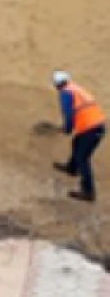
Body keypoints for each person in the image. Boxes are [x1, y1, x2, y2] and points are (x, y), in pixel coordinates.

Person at [53, 71, 105, 202]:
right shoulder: (76, 88)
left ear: (57, 85)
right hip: (97, 125)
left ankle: (88, 192)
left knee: (83, 158)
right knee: (77, 142)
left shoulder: (65, 93)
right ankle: (71, 168)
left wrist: (67, 128)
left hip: (90, 128)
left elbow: (69, 113)